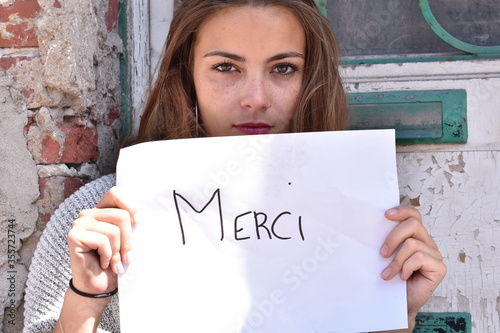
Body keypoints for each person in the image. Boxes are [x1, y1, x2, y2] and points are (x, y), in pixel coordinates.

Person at [23, 0, 447, 332]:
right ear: (187, 77)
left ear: (311, 81)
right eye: (226, 67)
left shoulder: (362, 226)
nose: (256, 97)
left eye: (283, 68)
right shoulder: (104, 216)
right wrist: (86, 298)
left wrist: (392, 312)